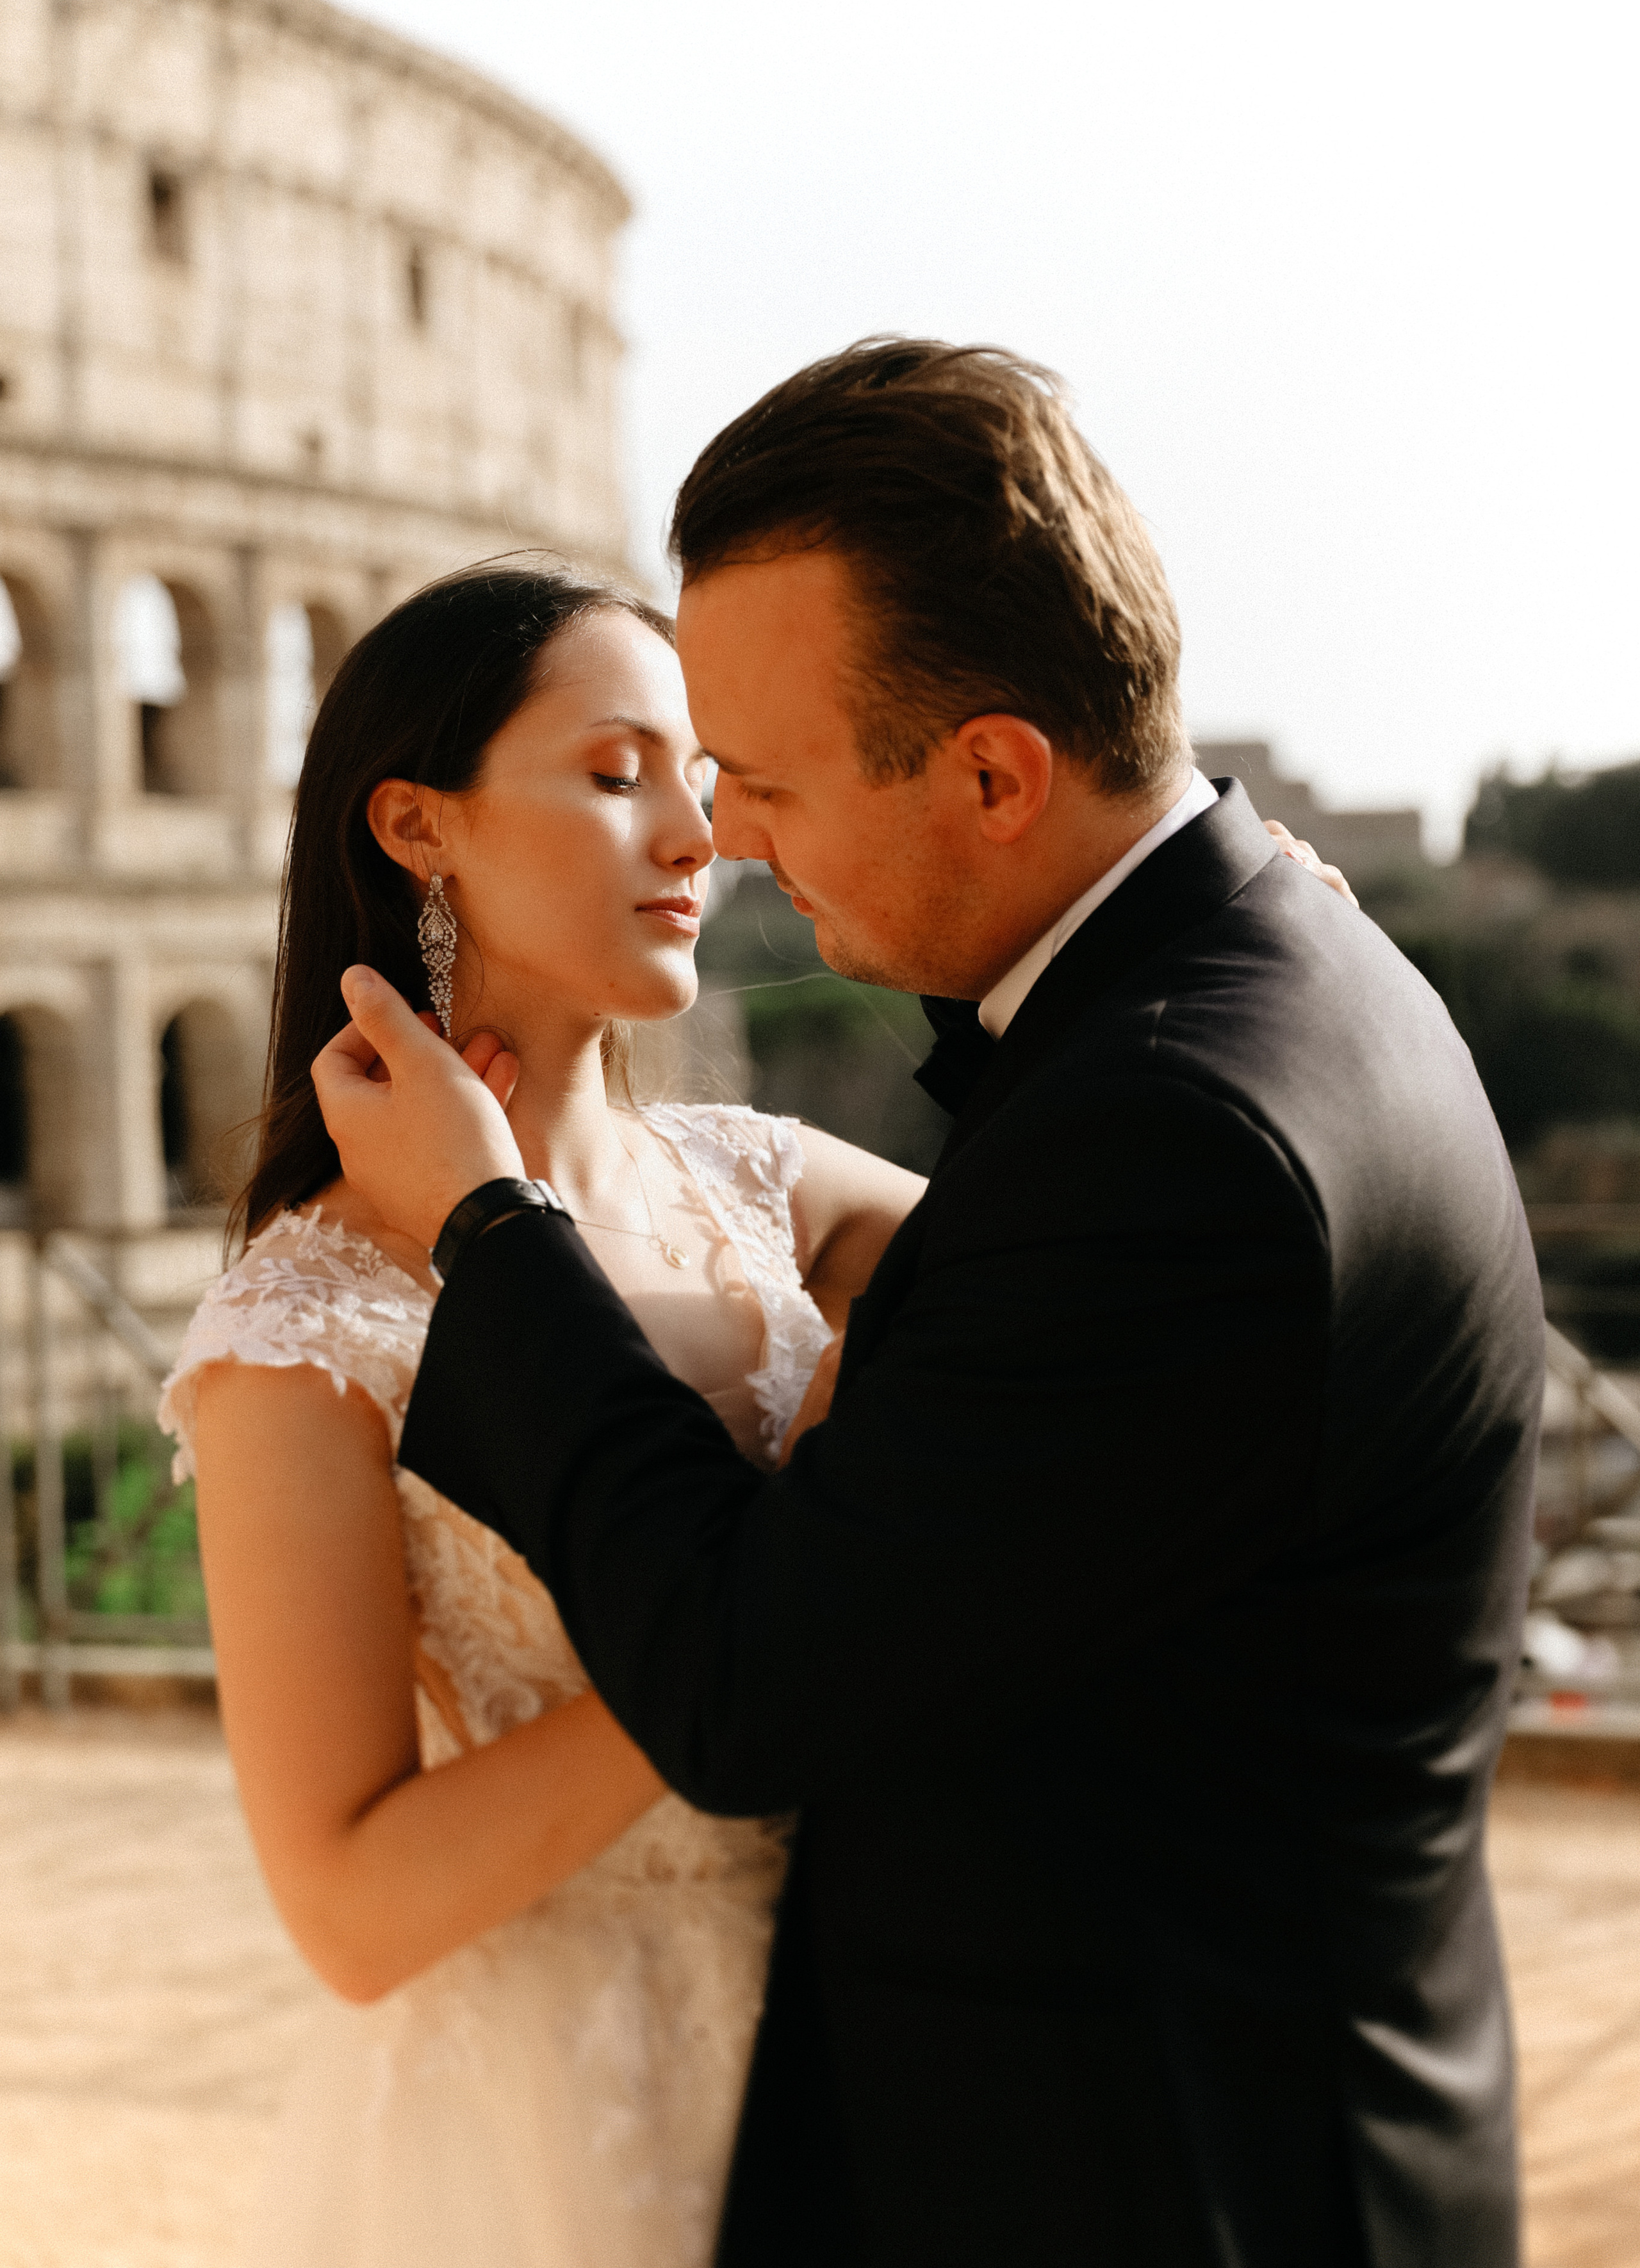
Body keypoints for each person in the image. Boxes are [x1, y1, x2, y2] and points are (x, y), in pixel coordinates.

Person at [315, 340, 1543, 2268]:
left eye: (759, 779)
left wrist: (488, 1227)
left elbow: (749, 1685)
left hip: (1157, 2180)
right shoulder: (1282, 976)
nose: (726, 838)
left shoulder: (1176, 1134)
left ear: (992, 772)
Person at [158, 562, 928, 2268]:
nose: (697, 837)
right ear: (416, 825)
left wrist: (1226, 947)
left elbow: (1074, 1259)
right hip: (544, 2133)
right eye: (614, 772)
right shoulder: (305, 1331)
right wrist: (754, 1622)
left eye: (699, 778)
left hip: (867, 2048)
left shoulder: (769, 1185)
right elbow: (351, 1909)